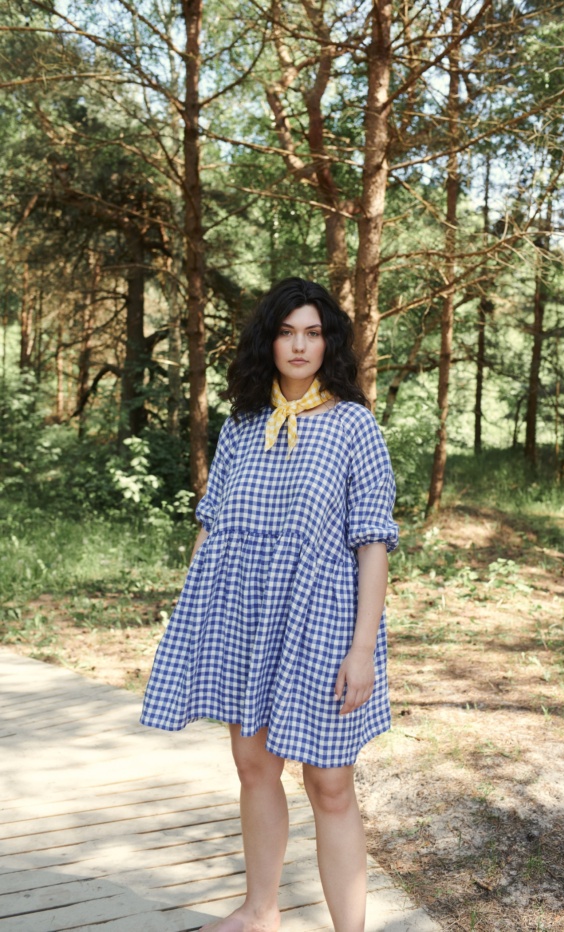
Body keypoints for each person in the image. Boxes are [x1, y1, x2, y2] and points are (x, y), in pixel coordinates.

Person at [141, 277, 398, 932]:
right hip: (241, 617)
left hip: (324, 622)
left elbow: (373, 543)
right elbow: (212, 524)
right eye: (287, 331)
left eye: (313, 332)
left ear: (329, 342)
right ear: (270, 341)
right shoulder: (242, 424)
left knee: (329, 784)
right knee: (254, 766)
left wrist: (362, 648)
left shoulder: (353, 425)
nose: (300, 344)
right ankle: (260, 911)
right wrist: (194, 622)